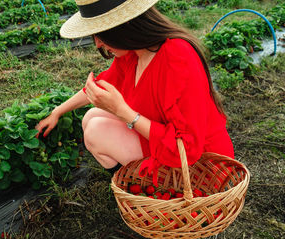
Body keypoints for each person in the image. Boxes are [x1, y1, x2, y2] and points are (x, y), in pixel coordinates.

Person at [35, 0, 234, 183]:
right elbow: (101, 84)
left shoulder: (177, 57)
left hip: (196, 163)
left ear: (125, 25)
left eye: (101, 33)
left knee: (97, 131)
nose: (97, 43)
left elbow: (188, 146)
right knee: (91, 117)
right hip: (164, 140)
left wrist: (123, 112)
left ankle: (156, 191)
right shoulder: (133, 54)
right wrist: (58, 111)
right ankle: (139, 186)